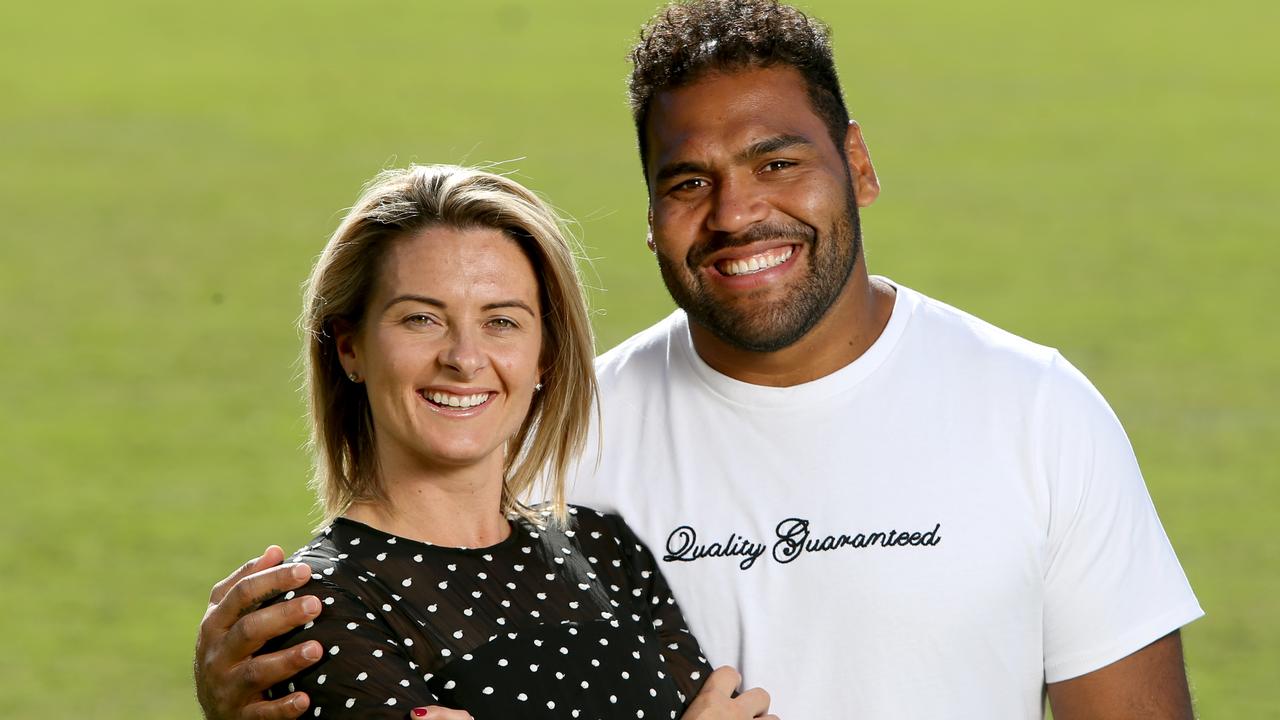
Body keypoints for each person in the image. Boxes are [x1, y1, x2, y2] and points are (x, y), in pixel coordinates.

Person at [195, 2, 1203, 718]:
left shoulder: (1033, 410)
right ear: (647, 217)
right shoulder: (549, 443)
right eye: (688, 181)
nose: (735, 213)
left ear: (855, 164)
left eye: (776, 162)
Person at [205, 164, 774, 720]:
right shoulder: (316, 608)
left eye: (501, 321)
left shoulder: (606, 548)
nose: (464, 358)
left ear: (545, 356)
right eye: (421, 319)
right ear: (350, 347)